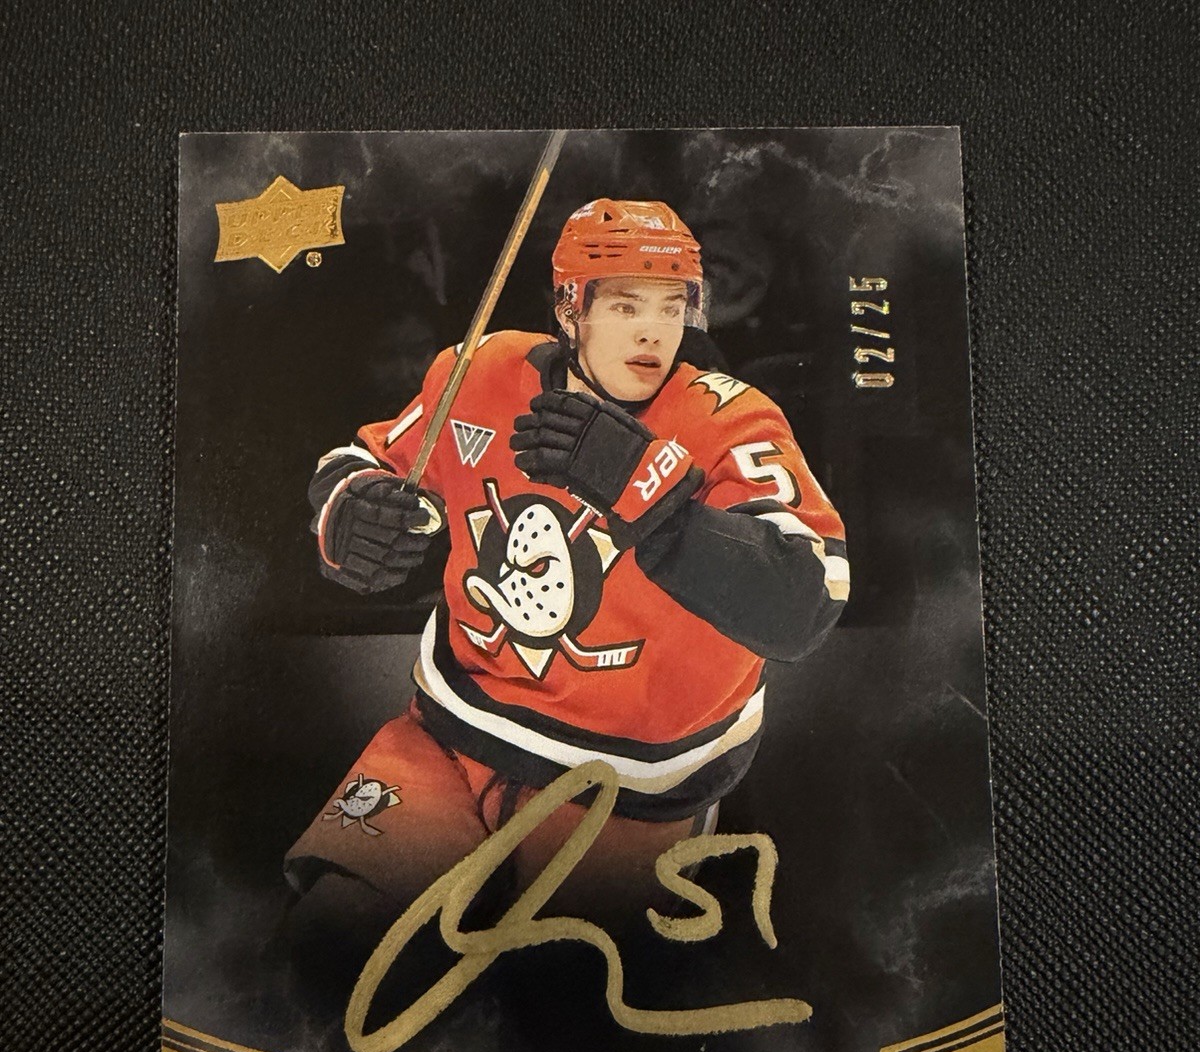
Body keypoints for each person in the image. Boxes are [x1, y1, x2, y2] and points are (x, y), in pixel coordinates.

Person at [285, 198, 848, 948]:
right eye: (625, 306)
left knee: (559, 1000)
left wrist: (653, 501)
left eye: (671, 306)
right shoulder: (480, 369)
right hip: (448, 740)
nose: (652, 331)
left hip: (625, 795)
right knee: (323, 946)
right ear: (569, 308)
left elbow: (805, 603)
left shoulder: (729, 420)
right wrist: (353, 508)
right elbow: (370, 457)